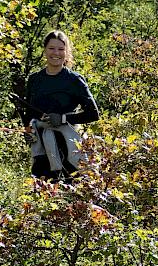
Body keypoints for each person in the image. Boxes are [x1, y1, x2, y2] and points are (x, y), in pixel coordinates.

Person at [20, 30, 99, 180]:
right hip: (42, 148)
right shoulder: (35, 80)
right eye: (51, 48)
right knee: (42, 189)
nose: (56, 53)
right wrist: (28, 130)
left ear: (66, 52)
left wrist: (63, 119)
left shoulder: (74, 80)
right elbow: (29, 112)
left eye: (61, 49)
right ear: (44, 50)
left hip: (68, 145)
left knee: (71, 188)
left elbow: (93, 114)